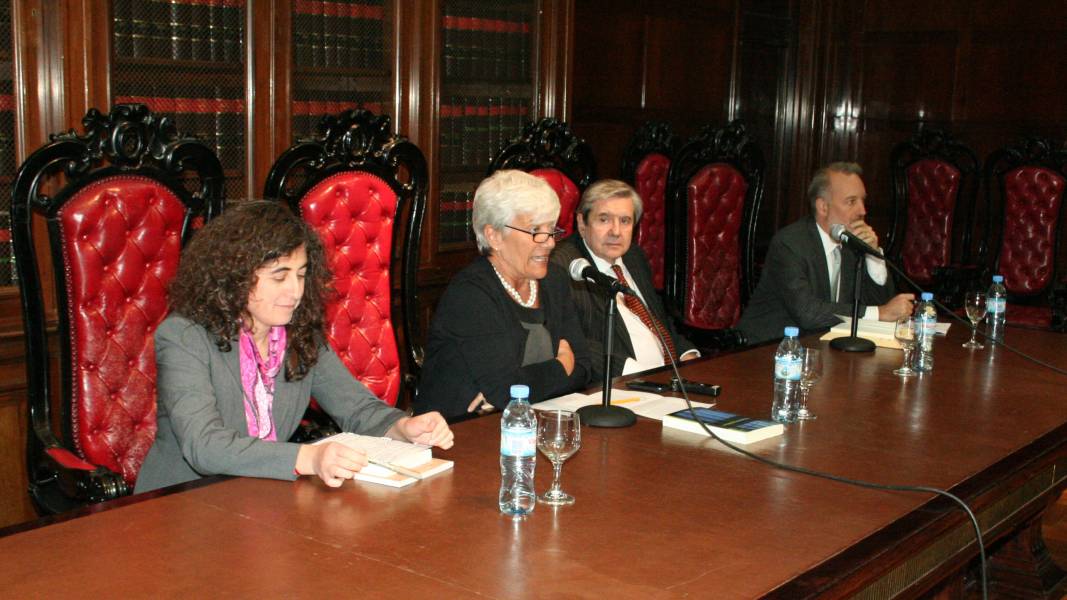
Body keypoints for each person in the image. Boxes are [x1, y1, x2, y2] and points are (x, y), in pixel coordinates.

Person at [135, 201, 453, 493]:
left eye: (301, 275)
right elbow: (204, 446)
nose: (295, 291)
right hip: (181, 503)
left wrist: (403, 427)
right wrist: (309, 458)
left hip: (261, 497)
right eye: (279, 277)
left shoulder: (300, 335)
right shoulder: (183, 336)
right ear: (235, 277)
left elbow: (357, 408)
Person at [415, 170, 591, 419]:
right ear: (494, 235)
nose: (550, 242)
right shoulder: (470, 294)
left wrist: (519, 389)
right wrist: (561, 366)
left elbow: (584, 366)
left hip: (527, 424)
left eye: (551, 230)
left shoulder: (555, 280)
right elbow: (504, 390)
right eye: (535, 230)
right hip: (457, 435)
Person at [736, 162, 915, 345]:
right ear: (823, 207)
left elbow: (882, 304)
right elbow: (808, 313)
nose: (862, 211)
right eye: (851, 201)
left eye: (863, 201)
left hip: (821, 348)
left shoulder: (851, 246)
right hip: (767, 350)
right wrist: (880, 312)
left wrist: (873, 255)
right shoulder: (789, 244)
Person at [550, 180, 698, 381]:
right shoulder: (561, 265)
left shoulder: (633, 257)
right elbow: (568, 340)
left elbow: (657, 320)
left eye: (625, 221)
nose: (616, 231)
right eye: (604, 220)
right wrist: (636, 373)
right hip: (620, 383)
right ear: (582, 223)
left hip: (669, 378)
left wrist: (686, 354)